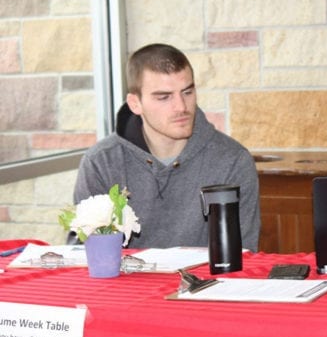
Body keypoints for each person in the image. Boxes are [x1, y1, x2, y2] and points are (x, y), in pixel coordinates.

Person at [70, 43, 260, 251]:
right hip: (125, 282)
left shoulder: (232, 160)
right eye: (164, 97)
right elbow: (84, 255)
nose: (181, 107)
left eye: (187, 92)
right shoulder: (101, 162)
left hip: (206, 283)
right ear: (135, 104)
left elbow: (243, 255)